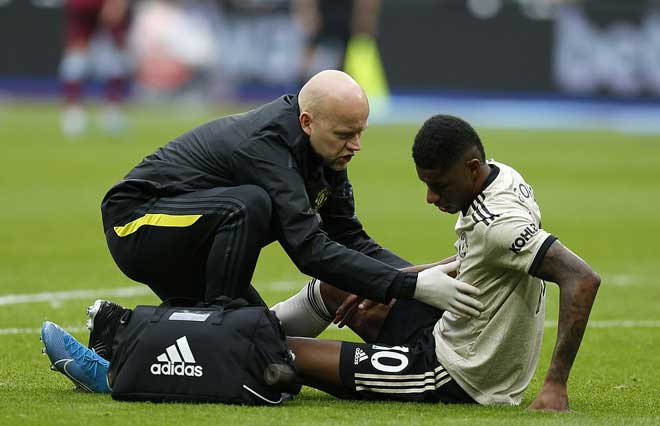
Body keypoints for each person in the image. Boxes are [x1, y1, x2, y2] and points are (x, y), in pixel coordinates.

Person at [42, 114, 599, 412]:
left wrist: (554, 385)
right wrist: (407, 281)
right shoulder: (502, 178)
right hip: (452, 327)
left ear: (472, 169)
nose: (431, 198)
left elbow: (582, 278)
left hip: (453, 371)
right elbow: (480, 258)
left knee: (275, 356)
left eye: (438, 186)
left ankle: (118, 364)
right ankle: (216, 334)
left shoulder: (498, 223)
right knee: (335, 289)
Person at [60, 0, 130, 136]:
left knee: (115, 62)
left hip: (107, 16)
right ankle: (73, 112)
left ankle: (112, 111)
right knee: (76, 61)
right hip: (84, 12)